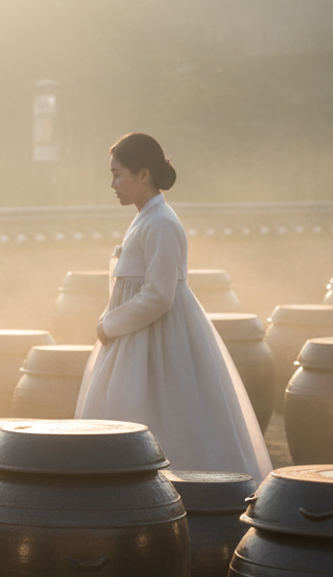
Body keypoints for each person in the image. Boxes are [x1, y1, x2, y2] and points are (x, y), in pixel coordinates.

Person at [75, 132, 272, 484]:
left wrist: (109, 325)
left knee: (161, 422)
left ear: (144, 174)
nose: (112, 183)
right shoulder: (147, 219)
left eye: (118, 174)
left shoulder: (162, 223)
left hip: (157, 341)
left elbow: (159, 296)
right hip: (135, 340)